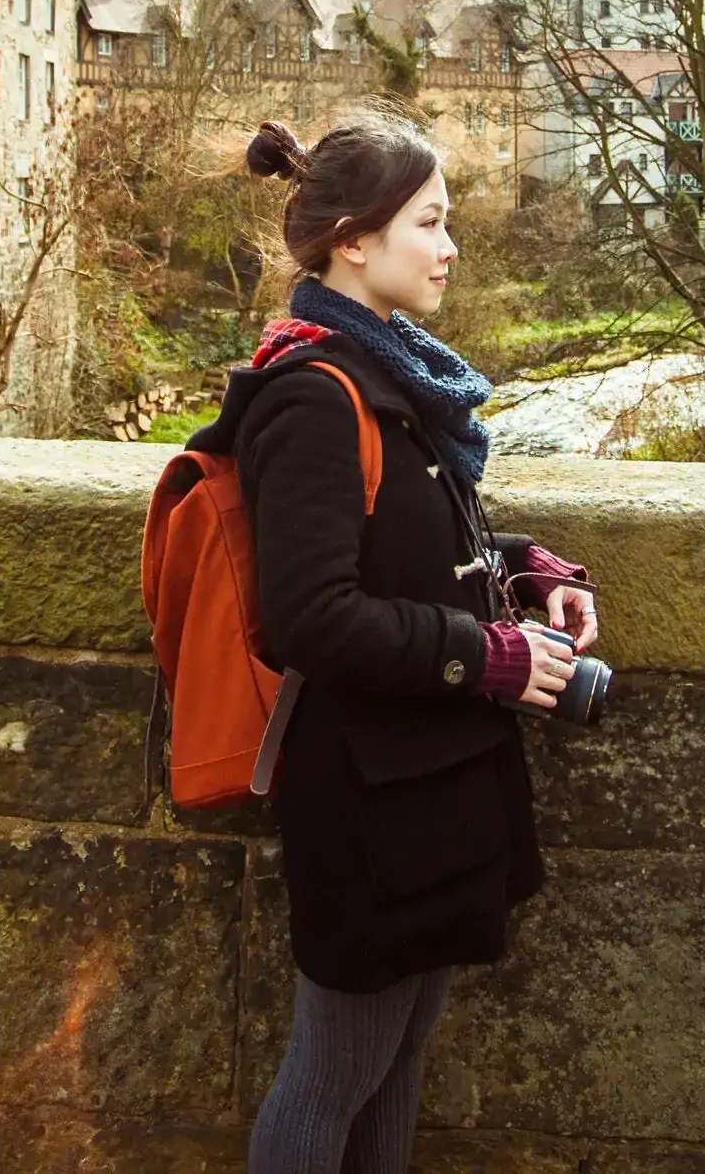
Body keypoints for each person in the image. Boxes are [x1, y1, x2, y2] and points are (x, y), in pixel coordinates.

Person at [189, 111, 598, 1174]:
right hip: (371, 795)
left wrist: (524, 569)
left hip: (428, 777)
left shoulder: (388, 377)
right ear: (354, 241)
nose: (451, 245)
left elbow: (410, 543)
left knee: (399, 1057)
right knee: (332, 1075)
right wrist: (492, 656)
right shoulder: (312, 397)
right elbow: (312, 613)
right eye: (431, 220)